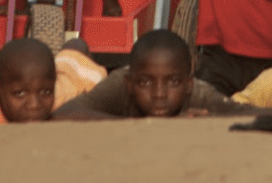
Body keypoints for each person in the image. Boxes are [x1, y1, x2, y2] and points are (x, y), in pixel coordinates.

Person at [53, 30, 253, 118]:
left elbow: (248, 112)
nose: (159, 94)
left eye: (173, 81)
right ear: (130, 84)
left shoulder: (199, 94)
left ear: (189, 85)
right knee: (74, 51)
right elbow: (64, 112)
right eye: (145, 82)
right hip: (84, 73)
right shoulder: (118, 86)